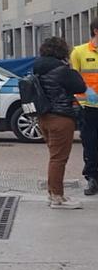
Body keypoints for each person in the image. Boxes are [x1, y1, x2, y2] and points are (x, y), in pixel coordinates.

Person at [36, 37, 87, 209]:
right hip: (61, 117)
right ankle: (57, 197)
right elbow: (80, 86)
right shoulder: (62, 70)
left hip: (44, 117)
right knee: (59, 159)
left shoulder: (38, 67)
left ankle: (53, 193)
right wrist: (70, 68)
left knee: (54, 157)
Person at [69, 21, 98, 196]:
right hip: (89, 108)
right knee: (90, 144)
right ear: (96, 31)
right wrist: (83, 100)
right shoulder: (79, 52)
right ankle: (92, 178)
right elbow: (74, 79)